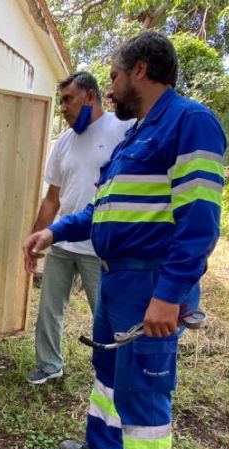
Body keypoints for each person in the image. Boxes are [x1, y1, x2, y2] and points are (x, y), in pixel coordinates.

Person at [23, 32, 226, 449]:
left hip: (149, 283)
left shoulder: (190, 123)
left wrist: (169, 295)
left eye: (113, 75)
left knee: (143, 389)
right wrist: (54, 229)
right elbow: (104, 212)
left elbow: (199, 223)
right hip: (116, 282)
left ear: (140, 69)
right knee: (109, 373)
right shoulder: (135, 136)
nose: (109, 87)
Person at [26, 72, 133, 385]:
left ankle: (115, 374)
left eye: (68, 99)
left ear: (90, 96)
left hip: (99, 246)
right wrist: (36, 240)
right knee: (49, 310)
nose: (63, 107)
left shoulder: (122, 128)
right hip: (62, 240)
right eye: (61, 101)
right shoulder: (64, 143)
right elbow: (51, 199)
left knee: (107, 314)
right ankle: (49, 365)